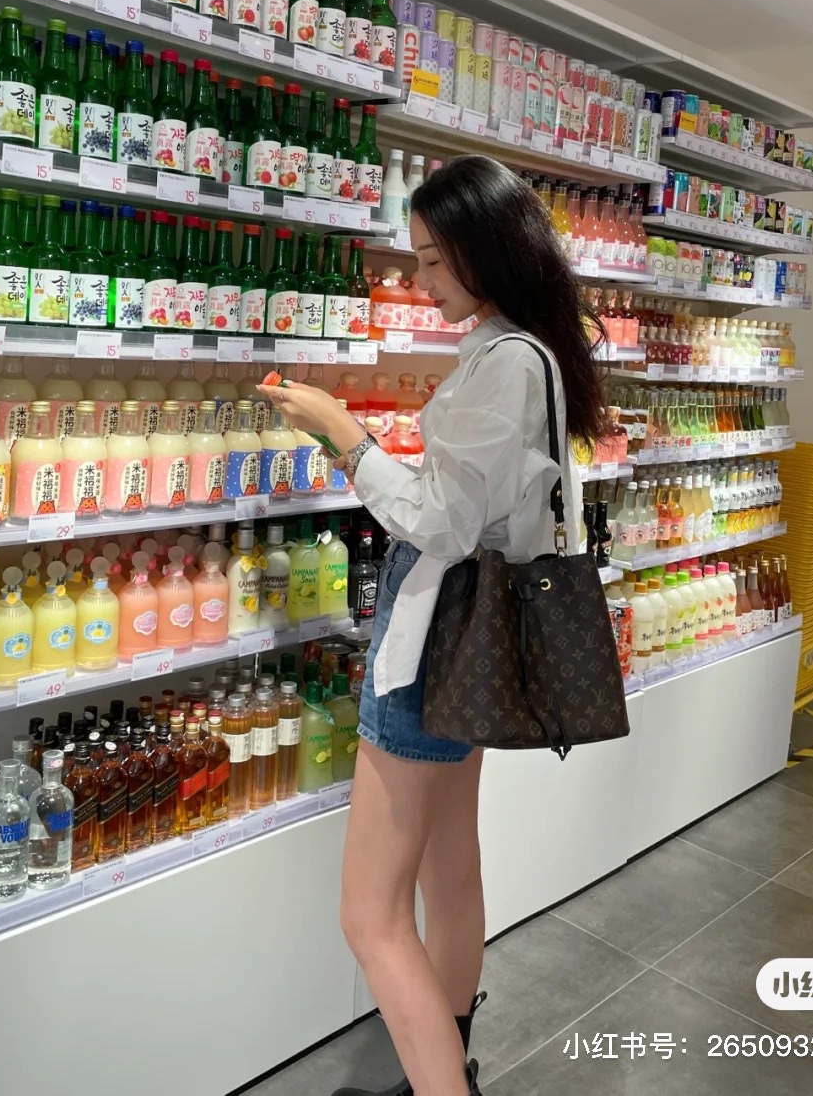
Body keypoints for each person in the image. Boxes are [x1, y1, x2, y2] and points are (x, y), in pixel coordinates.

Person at [259, 155, 606, 1096]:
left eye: (433, 261)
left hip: (434, 640)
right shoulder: (525, 350)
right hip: (473, 644)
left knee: (369, 914)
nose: (420, 281)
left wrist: (346, 434)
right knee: (450, 866)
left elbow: (442, 524)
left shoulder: (507, 363)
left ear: (489, 251)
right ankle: (445, 1067)